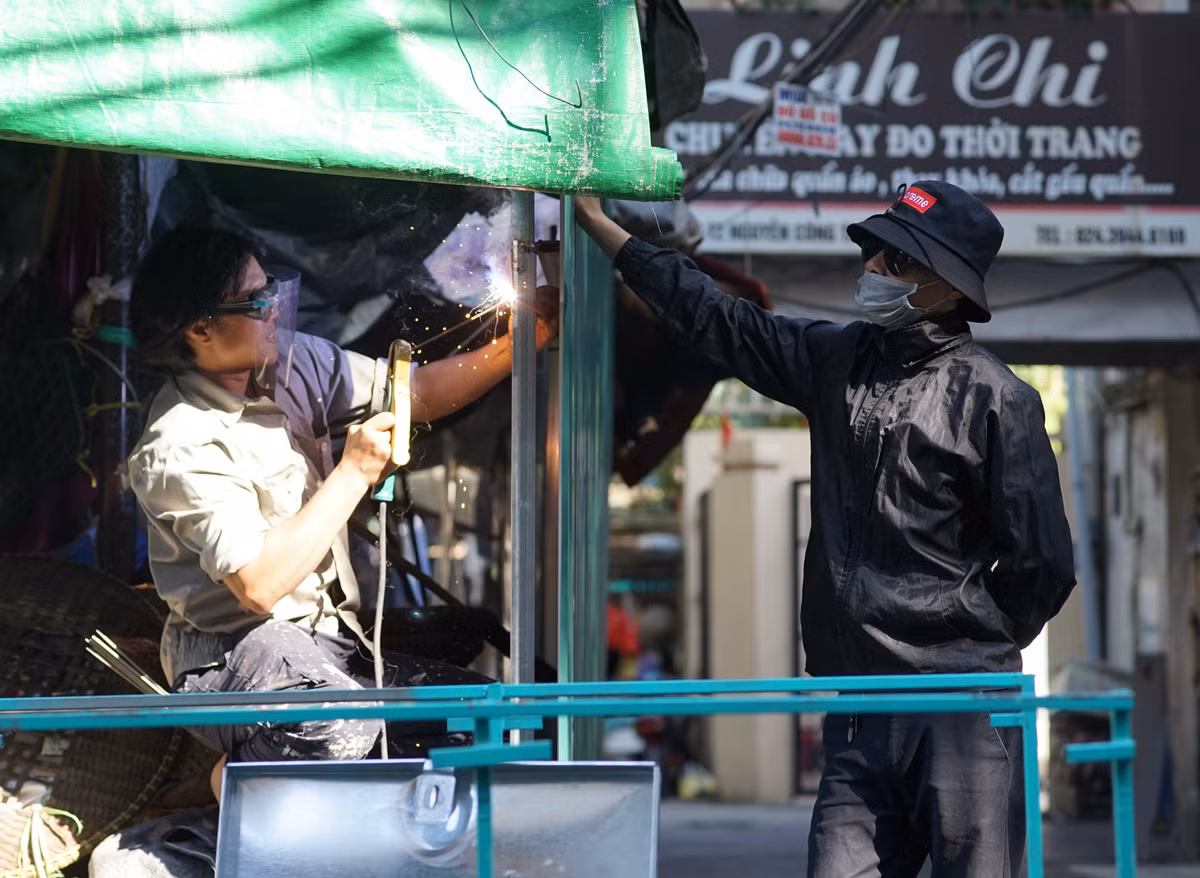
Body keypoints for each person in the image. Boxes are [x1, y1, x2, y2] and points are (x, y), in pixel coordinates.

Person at [573, 182, 1075, 878]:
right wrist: (602, 229)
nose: (872, 267)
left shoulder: (998, 400)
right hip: (861, 706)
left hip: (962, 707)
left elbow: (1043, 566)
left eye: (896, 258)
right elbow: (718, 318)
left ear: (945, 286)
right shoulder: (836, 361)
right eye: (874, 250)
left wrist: (968, 641)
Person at [127, 224, 556, 795]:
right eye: (255, 302)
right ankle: (233, 785)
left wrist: (521, 342)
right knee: (334, 723)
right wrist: (353, 472)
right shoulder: (179, 444)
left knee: (481, 717)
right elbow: (259, 586)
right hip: (233, 657)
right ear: (200, 329)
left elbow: (415, 393)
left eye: (271, 290)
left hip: (326, 643)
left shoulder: (291, 363)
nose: (273, 310)